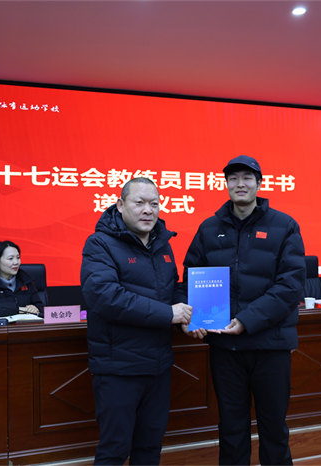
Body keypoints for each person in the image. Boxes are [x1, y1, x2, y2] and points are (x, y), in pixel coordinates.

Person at [183, 155, 305, 465]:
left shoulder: (284, 225)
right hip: (226, 347)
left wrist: (246, 320)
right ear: (226, 184)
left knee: (273, 428)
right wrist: (191, 318)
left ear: (259, 184)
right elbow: (191, 276)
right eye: (233, 178)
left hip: (270, 346)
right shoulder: (209, 228)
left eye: (247, 178)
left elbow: (290, 286)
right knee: (231, 428)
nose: (240, 184)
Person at [80, 177, 192, 465]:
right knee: (115, 450)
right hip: (119, 368)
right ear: (120, 205)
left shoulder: (162, 243)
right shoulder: (99, 244)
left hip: (158, 366)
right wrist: (169, 314)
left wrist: (188, 314)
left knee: (150, 447)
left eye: (154, 204)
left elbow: (173, 289)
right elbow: (105, 296)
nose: (148, 210)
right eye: (139, 203)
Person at [0, 240, 44, 318]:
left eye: (18, 258)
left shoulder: (26, 281)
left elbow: (41, 307)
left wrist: (35, 308)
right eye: (10, 258)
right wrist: (19, 309)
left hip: (26, 325)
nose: (16, 262)